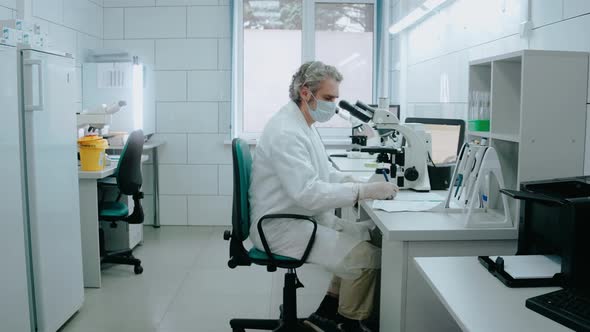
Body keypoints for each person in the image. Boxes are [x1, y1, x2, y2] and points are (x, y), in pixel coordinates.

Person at [248, 61, 399, 332]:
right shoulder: (286, 132)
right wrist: (361, 192)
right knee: (366, 260)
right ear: (306, 92)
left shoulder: (302, 124)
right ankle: (347, 325)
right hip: (281, 227)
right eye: (329, 98)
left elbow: (323, 172)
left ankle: (323, 316)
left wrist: (355, 182)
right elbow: (308, 193)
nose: (333, 105)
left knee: (363, 236)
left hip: (298, 217)